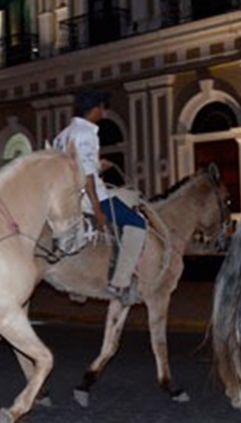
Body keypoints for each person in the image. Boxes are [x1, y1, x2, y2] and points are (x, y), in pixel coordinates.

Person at [53, 91, 146, 305]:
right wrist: (98, 209)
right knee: (138, 223)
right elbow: (86, 175)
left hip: (69, 194)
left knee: (127, 197)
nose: (104, 113)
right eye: (102, 109)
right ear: (94, 109)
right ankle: (120, 282)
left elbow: (77, 166)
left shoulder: (64, 134)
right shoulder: (86, 134)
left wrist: (98, 165)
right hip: (89, 196)